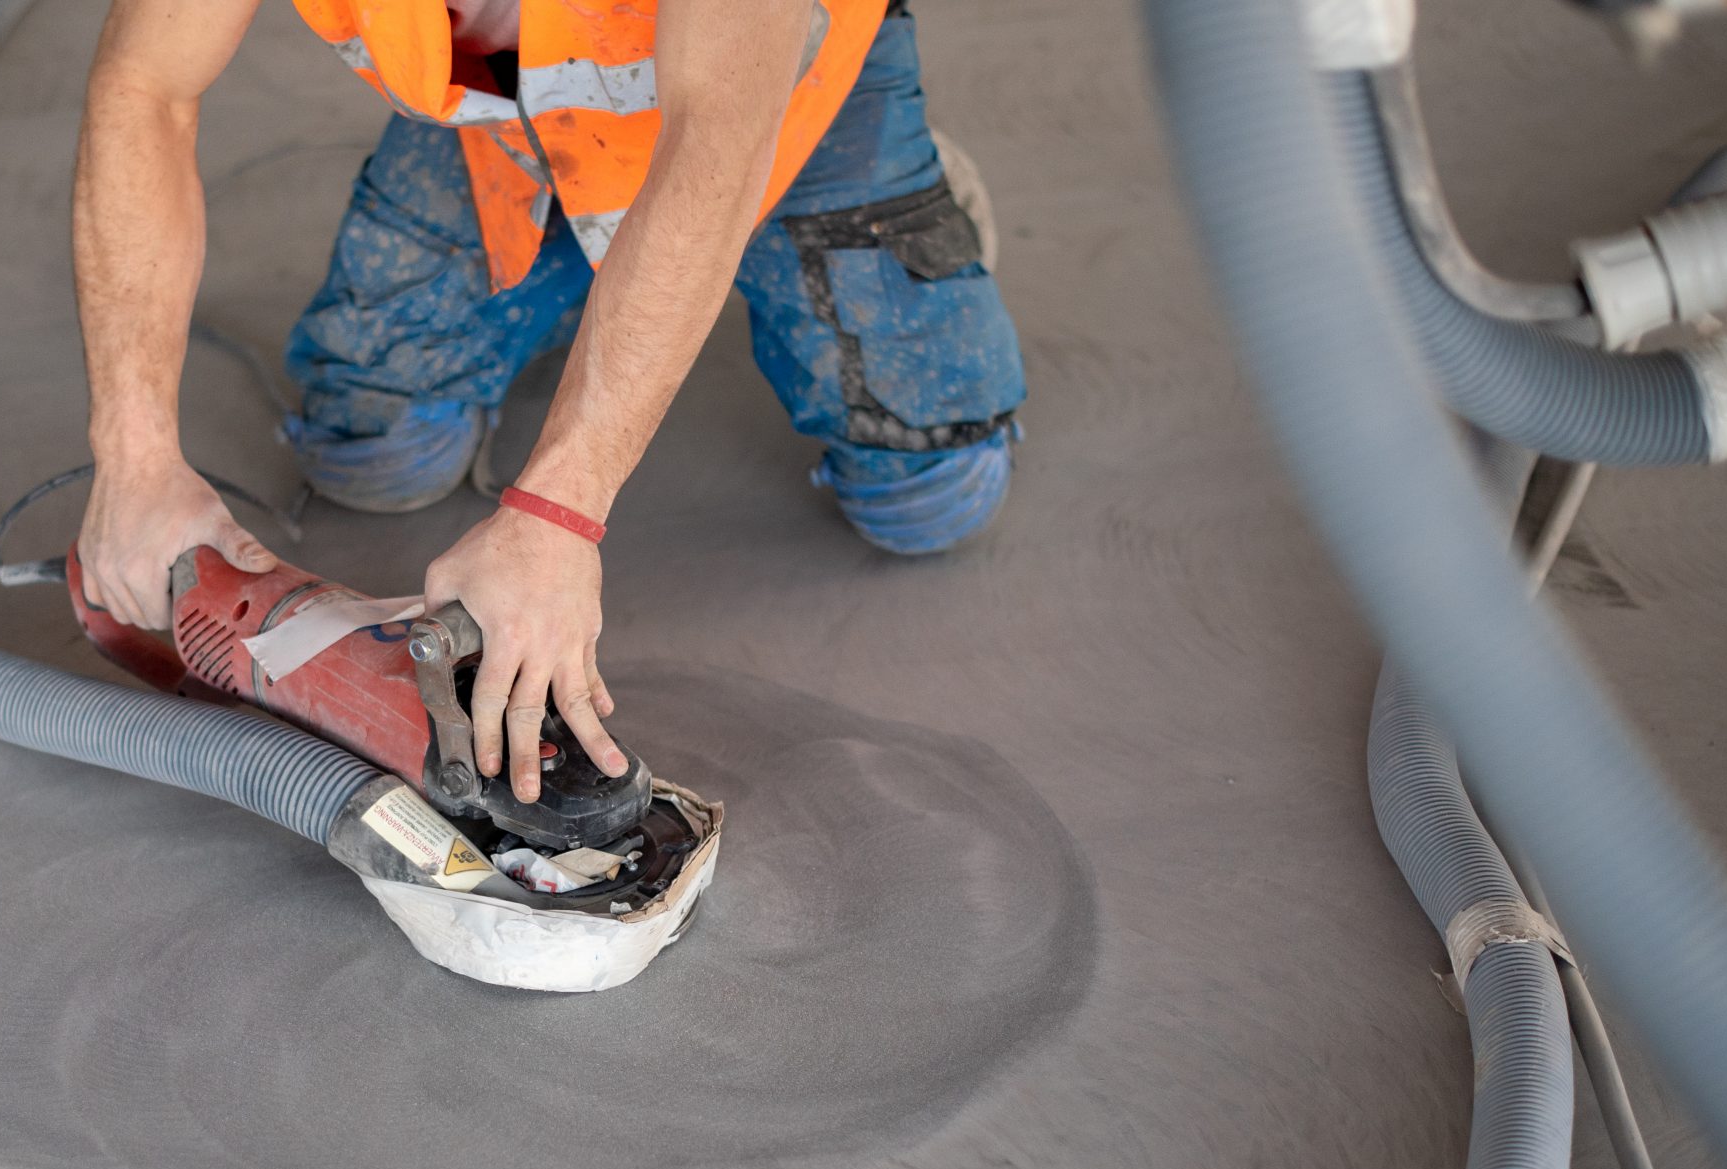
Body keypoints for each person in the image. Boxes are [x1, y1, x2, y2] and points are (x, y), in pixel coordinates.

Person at [72, 0, 1025, 804]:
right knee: (372, 451)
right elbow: (145, 90)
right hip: (512, 94)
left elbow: (718, 137)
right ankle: (605, 252)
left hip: (766, 94)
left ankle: (884, 202)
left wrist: (555, 512)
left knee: (930, 496)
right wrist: (135, 455)